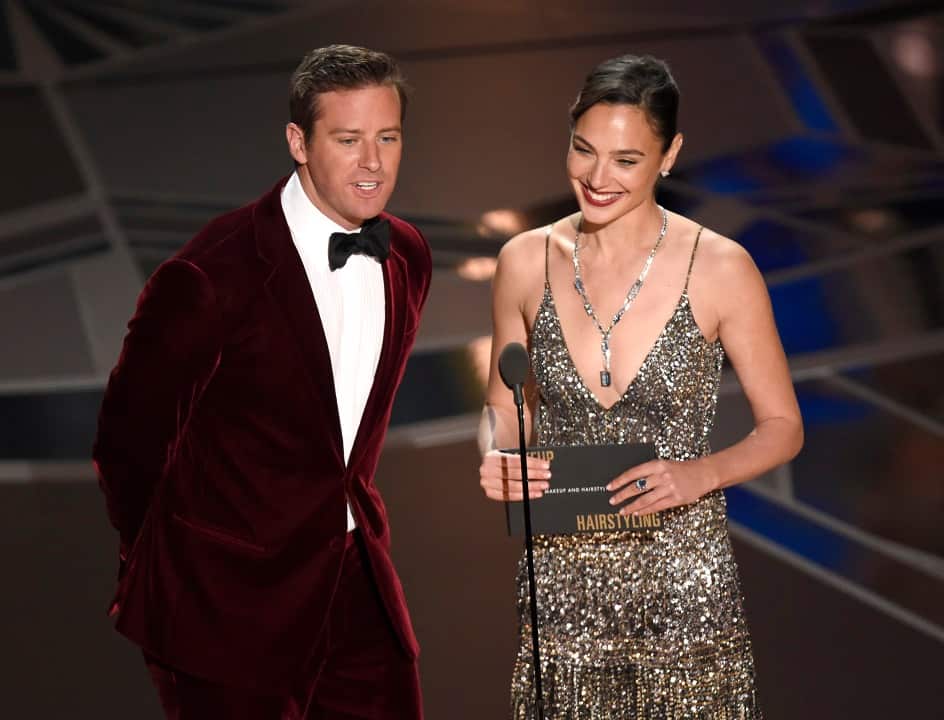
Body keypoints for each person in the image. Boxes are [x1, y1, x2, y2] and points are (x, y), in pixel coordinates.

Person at [93, 44, 431, 719]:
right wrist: (184, 580)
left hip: (356, 584)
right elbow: (126, 448)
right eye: (349, 139)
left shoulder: (406, 256)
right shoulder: (210, 277)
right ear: (298, 143)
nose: (373, 162)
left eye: (387, 137)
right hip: (227, 612)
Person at [478, 54, 803, 718]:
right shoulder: (522, 262)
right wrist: (497, 455)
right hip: (563, 593)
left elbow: (783, 427)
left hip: (684, 589)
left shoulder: (721, 268)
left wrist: (701, 473)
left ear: (669, 155)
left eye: (625, 159)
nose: (597, 178)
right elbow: (505, 404)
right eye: (583, 151)